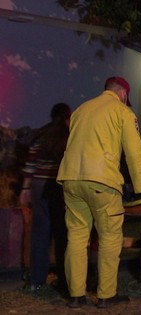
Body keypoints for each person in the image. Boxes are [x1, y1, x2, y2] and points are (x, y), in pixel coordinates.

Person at [57, 76, 141, 309]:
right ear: (123, 94)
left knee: (77, 237)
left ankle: (75, 295)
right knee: (110, 238)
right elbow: (134, 155)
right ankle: (106, 295)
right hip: (102, 181)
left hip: (71, 179)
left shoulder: (81, 109)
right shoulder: (123, 112)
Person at [20, 103, 71, 294]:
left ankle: (36, 280)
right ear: (67, 116)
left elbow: (30, 163)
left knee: (40, 233)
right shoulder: (68, 135)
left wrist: (25, 189)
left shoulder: (40, 134)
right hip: (59, 186)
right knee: (62, 234)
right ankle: (64, 279)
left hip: (38, 186)